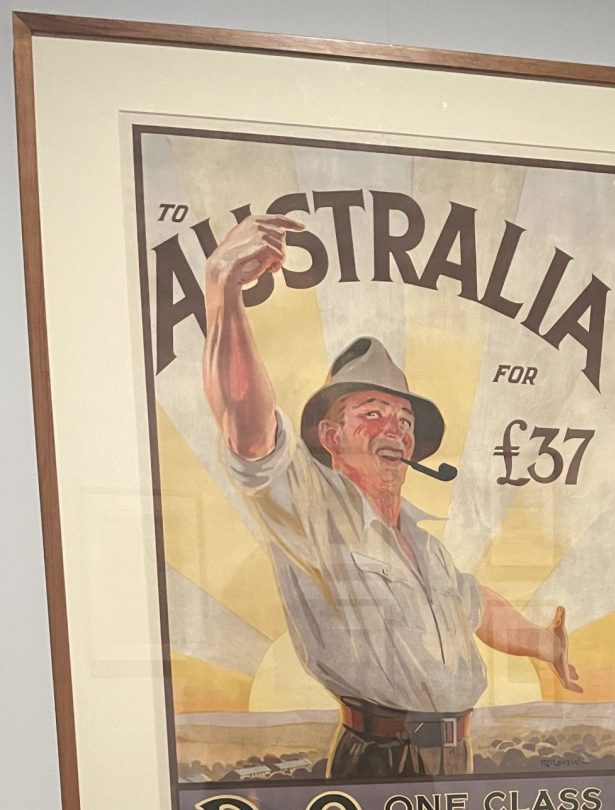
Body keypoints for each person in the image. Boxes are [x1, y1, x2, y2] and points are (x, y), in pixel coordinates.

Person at [203, 213, 580, 779]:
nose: (395, 430)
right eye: (372, 413)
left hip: (455, 760)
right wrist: (224, 291)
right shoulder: (312, 508)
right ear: (330, 437)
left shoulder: (423, 547)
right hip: (379, 763)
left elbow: (477, 607)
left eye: (403, 419)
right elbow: (249, 427)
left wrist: (548, 647)